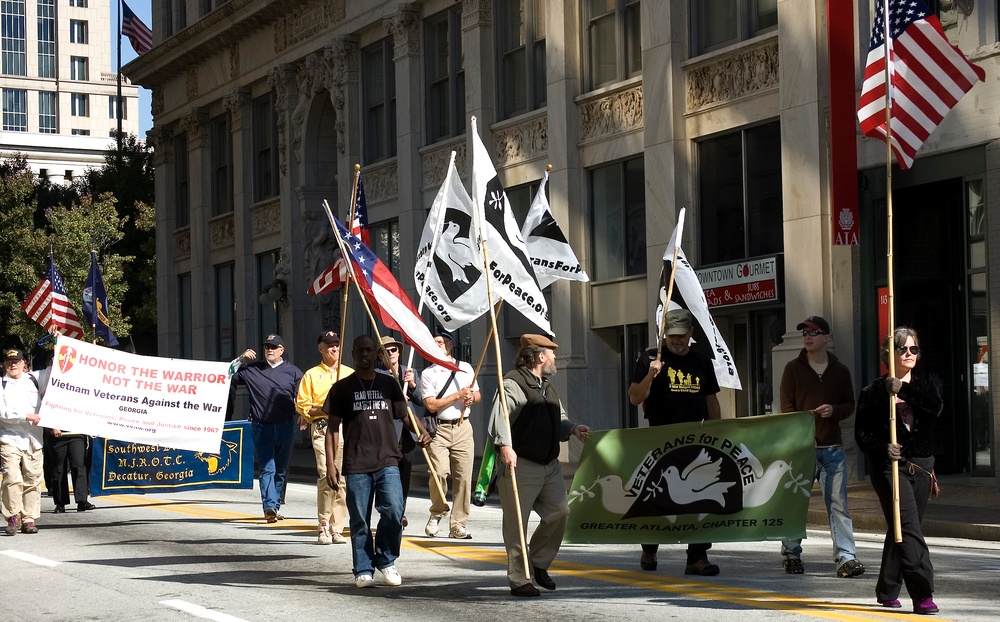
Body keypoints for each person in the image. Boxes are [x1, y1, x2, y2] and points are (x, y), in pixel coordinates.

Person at [323, 335, 431, 588]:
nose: (365, 354)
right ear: (353, 353)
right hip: (357, 462)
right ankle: (362, 568)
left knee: (394, 511)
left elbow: (404, 416)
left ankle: (386, 560)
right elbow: (332, 428)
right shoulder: (342, 388)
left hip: (388, 459)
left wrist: (420, 431)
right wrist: (331, 464)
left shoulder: (388, 384)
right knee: (360, 519)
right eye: (360, 350)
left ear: (376, 355)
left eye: (369, 350)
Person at [487, 334, 590, 597]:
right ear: (540, 356)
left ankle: (539, 562)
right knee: (516, 525)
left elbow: (560, 417)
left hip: (549, 464)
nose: (555, 357)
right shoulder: (512, 383)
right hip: (521, 465)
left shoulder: (547, 386)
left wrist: (572, 428)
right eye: (552, 353)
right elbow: (500, 416)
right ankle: (520, 579)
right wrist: (505, 446)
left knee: (560, 512)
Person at [855, 327, 942, 615]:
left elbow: (934, 408)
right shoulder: (871, 392)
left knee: (900, 528)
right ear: (888, 355)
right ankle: (923, 593)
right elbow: (862, 434)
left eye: (913, 349)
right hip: (889, 468)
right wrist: (884, 448)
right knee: (908, 527)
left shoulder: (926, 387)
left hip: (921, 467)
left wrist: (902, 389)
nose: (908, 354)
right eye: (902, 349)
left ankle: (887, 588)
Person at [628, 309, 721, 576]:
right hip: (661, 440)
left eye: (681, 337)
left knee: (699, 498)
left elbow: (711, 400)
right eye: (671, 337)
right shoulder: (649, 358)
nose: (676, 342)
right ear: (663, 335)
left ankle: (697, 556)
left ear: (691, 333)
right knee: (657, 496)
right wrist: (651, 375)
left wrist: (717, 431)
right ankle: (649, 547)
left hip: (696, 440)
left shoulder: (702, 361)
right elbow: (634, 398)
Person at [778, 316, 864, 577]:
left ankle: (846, 557)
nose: (807, 336)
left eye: (813, 332)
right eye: (804, 332)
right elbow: (787, 408)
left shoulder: (841, 371)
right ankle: (791, 554)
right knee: (795, 504)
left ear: (826, 337)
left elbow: (850, 404)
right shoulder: (792, 369)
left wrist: (833, 410)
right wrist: (803, 427)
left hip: (832, 449)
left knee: (838, 504)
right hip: (802, 449)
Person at [230, 334, 303, 522]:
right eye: (267, 347)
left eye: (274, 347)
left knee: (280, 469)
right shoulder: (252, 369)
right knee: (267, 467)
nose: (270, 350)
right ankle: (269, 506)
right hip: (261, 426)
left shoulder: (294, 372)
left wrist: (304, 415)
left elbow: (302, 397)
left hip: (285, 426)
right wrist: (241, 359)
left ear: (281, 350)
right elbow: (227, 374)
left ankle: (275, 506)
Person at [420, 327, 480, 539]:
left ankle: (458, 524)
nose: (439, 345)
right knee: (438, 473)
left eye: (442, 342)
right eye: (435, 342)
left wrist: (472, 398)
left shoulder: (465, 368)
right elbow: (430, 404)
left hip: (463, 426)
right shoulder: (428, 373)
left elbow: (477, 394)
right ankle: (437, 511)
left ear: (450, 344)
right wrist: (457, 395)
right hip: (440, 429)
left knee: (464, 477)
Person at [295, 330, 353, 544]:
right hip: (322, 429)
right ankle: (323, 525)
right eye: (329, 345)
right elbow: (303, 406)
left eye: (337, 344)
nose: (334, 348)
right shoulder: (311, 375)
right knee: (326, 475)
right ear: (321, 349)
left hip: (346, 429)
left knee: (342, 479)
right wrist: (328, 410)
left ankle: (338, 527)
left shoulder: (349, 373)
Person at [375, 335, 423, 529]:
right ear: (380, 355)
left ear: (399, 352)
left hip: (407, 432)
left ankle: (400, 512)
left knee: (404, 474)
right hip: (388, 433)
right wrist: (394, 397)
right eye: (386, 351)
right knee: (387, 474)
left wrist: (412, 385)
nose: (391, 353)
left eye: (393, 350)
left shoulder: (409, 372)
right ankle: (388, 510)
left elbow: (421, 400)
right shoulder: (377, 375)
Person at [1, 348, 43, 535]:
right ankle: (12, 516)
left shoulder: (34, 379)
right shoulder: (1, 384)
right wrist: (25, 416)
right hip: (10, 436)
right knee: (12, 477)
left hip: (34, 439)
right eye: (10, 362)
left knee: (32, 479)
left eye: (17, 361)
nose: (14, 364)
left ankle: (28, 519)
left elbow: (57, 372)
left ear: (24, 363)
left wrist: (58, 343)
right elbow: (2, 413)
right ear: (5, 365)